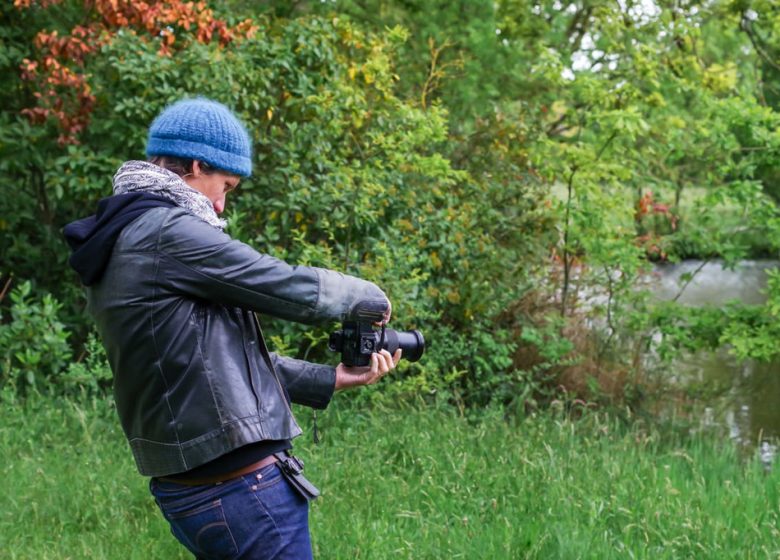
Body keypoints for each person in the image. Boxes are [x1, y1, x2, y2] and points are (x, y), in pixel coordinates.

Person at [64, 97, 400, 559]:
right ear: (197, 165)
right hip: (241, 490)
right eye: (225, 185)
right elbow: (282, 284)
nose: (222, 204)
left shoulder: (124, 236)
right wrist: (366, 296)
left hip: (192, 487)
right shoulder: (167, 233)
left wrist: (331, 377)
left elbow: (209, 361)